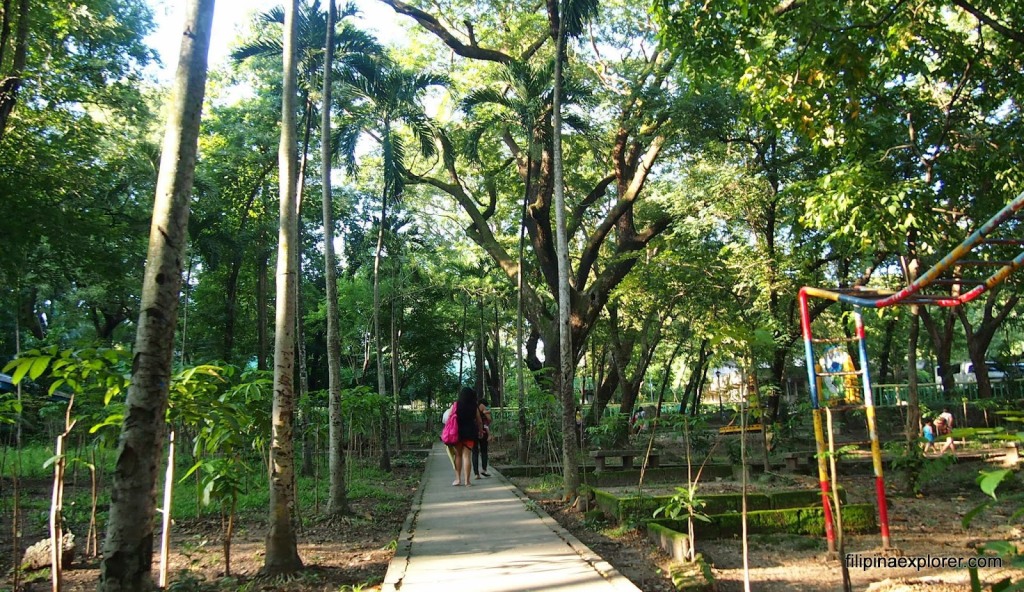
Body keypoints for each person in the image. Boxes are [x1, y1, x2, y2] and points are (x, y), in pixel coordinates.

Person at [453, 387, 483, 486]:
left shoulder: (456, 405)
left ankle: (458, 479)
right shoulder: (474, 406)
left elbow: (449, 417)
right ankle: (467, 481)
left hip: (457, 433)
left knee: (458, 455)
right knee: (467, 456)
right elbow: (479, 420)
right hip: (470, 433)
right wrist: (480, 431)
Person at [472, 397, 493, 479]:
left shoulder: (472, 407)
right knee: (484, 451)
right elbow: (489, 419)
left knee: (474, 452)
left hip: (473, 431)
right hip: (483, 431)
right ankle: (484, 470)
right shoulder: (483, 407)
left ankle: (476, 474)